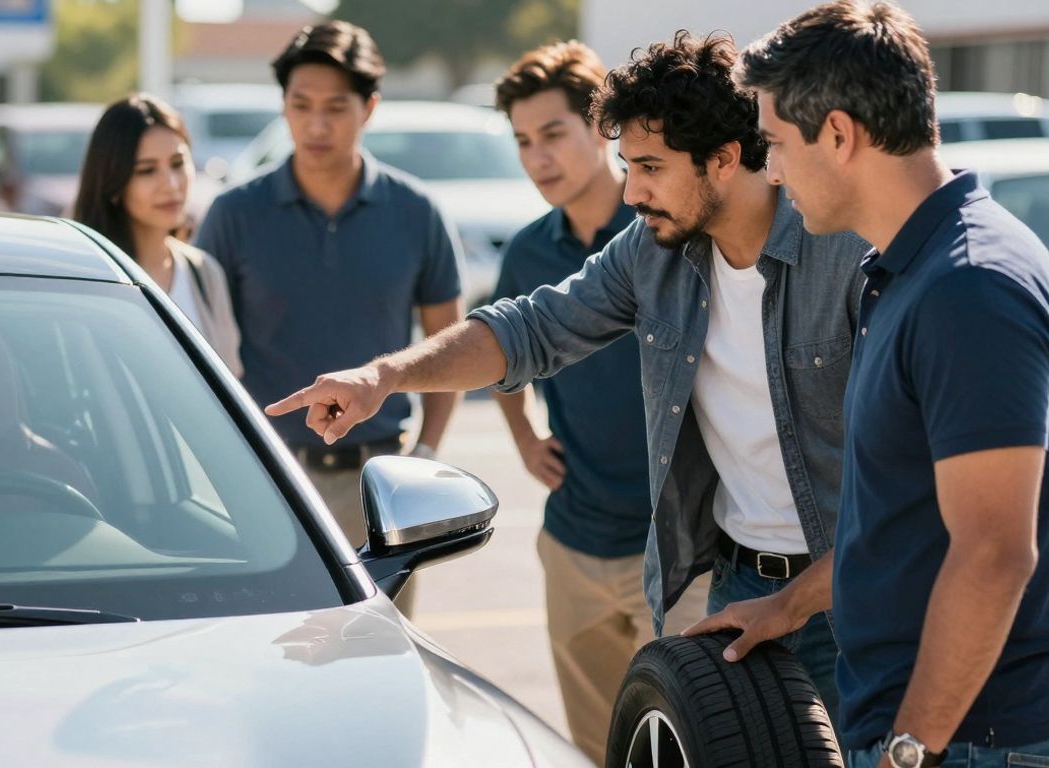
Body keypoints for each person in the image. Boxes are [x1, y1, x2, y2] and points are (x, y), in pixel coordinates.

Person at [264, 31, 873, 720]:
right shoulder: (654, 250)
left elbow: (911, 479)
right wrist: (383, 376)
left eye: (649, 166)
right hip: (732, 584)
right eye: (626, 165)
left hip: (851, 594)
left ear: (726, 159)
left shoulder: (845, 252)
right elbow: (532, 328)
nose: (632, 190)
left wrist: (794, 604)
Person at [688, 3, 1049, 765]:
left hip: (975, 743)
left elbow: (994, 551)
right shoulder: (898, 272)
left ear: (841, 135)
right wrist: (788, 604)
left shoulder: (969, 287)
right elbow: (903, 524)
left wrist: (908, 749)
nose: (773, 170)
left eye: (777, 144)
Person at [195, 21, 464, 616]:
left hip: (380, 485)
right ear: (284, 107)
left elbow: (450, 346)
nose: (317, 125)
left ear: (369, 108)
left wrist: (426, 453)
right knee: (268, 657)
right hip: (265, 483)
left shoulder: (417, 212)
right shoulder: (233, 215)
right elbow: (200, 350)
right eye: (301, 105)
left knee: (380, 660)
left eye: (336, 108)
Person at [488, 40, 709, 763]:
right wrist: (522, 435)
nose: (537, 157)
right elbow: (503, 351)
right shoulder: (524, 252)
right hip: (574, 545)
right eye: (523, 141)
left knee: (694, 744)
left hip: (677, 551)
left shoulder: (667, 229)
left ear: (600, 130)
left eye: (553, 134)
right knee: (599, 750)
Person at [73, 95, 241, 376]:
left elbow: (229, 385)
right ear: (113, 182)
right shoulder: (83, 275)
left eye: (177, 163)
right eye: (147, 170)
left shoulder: (203, 273)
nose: (171, 184)